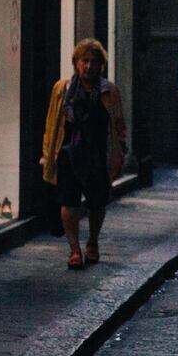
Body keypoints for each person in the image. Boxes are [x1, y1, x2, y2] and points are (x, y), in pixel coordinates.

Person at [40, 39, 127, 269]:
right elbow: (51, 124)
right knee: (68, 202)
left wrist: (121, 150)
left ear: (101, 65)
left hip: (97, 156)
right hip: (68, 155)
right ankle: (74, 250)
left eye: (94, 62)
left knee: (97, 203)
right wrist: (47, 155)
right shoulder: (63, 89)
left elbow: (118, 125)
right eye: (84, 61)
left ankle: (93, 242)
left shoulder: (109, 91)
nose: (88, 66)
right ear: (76, 63)